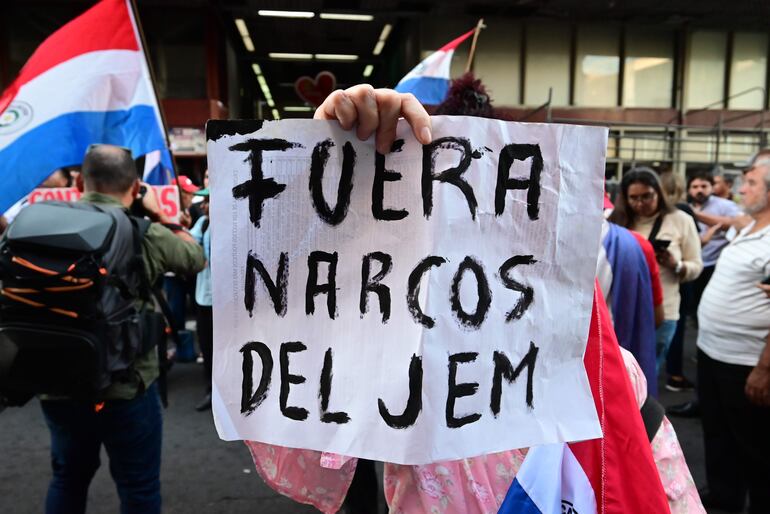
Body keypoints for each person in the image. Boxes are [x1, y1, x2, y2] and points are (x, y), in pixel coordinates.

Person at [243, 82, 703, 514]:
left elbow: (664, 494)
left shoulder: (607, 372)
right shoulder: (390, 373)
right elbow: (294, 436)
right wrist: (326, 184)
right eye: (437, 217)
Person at [39, 144, 205, 514]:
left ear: (79, 181)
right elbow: (194, 259)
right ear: (135, 188)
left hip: (57, 383)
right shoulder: (143, 231)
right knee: (139, 488)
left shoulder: (44, 223)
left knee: (67, 479)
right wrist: (162, 217)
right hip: (127, 385)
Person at [696, 156, 770, 513]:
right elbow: (729, 219)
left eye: (752, 182)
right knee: (718, 433)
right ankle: (725, 496)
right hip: (712, 352)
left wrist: (765, 369)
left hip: (746, 361)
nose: (742, 188)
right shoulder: (748, 226)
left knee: (754, 447)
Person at [608, 168, 703, 374]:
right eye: (633, 198)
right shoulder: (616, 220)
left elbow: (696, 266)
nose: (640, 203)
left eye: (646, 196)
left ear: (658, 193)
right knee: (618, 374)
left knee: (646, 374)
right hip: (620, 310)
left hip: (663, 311)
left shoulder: (680, 220)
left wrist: (676, 265)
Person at [190, 187, 212, 411]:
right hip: (203, 297)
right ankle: (211, 391)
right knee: (207, 347)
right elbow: (189, 243)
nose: (203, 205)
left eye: (208, 200)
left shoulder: (233, 223)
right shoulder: (203, 223)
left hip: (226, 302)